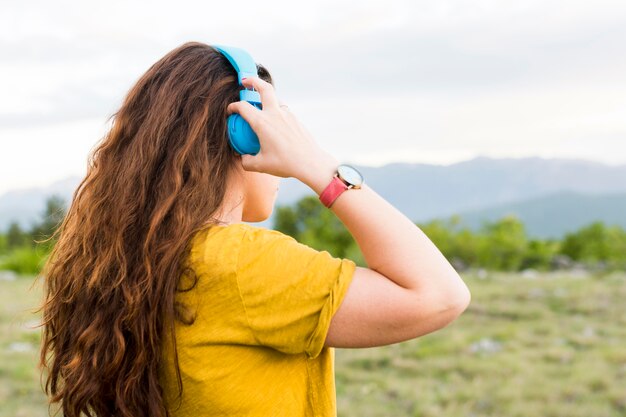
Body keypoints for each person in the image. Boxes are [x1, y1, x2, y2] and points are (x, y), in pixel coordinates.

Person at [37, 41, 471, 417]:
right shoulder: (242, 263)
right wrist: (318, 166)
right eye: (276, 125)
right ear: (244, 134)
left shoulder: (133, 258)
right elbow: (439, 296)